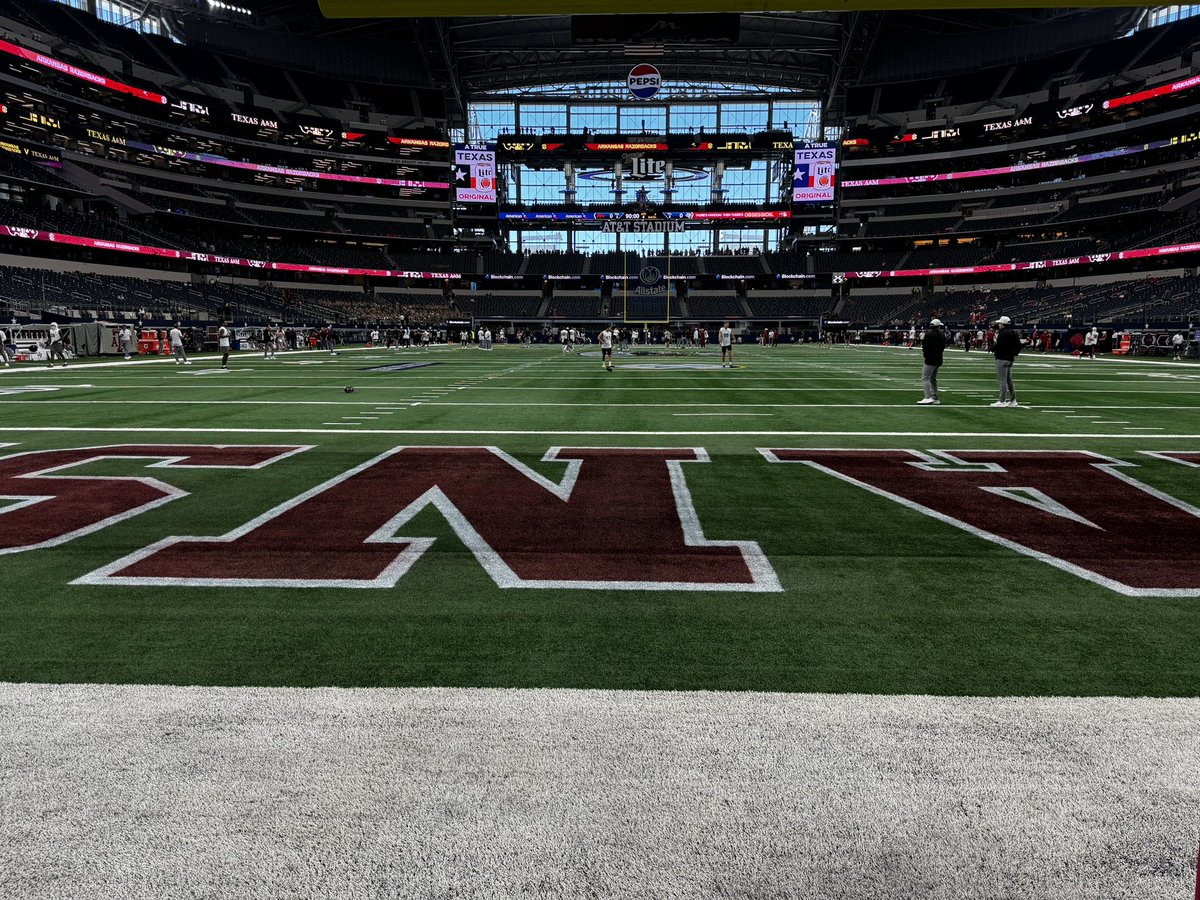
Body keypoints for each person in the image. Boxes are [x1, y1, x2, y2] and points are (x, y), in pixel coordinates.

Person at [991, 315, 1022, 407]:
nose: (999, 325)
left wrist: (991, 348)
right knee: (1009, 380)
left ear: (1003, 324)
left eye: (1000, 323)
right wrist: (1013, 354)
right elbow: (1019, 346)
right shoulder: (1014, 333)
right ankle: (1013, 400)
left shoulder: (1003, 333)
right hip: (1010, 359)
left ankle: (1002, 401)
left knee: (1002, 381)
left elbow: (999, 345)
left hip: (1002, 358)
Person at [918, 318, 946, 405]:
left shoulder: (928, 335)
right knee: (933, 379)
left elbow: (925, 348)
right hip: (938, 359)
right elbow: (942, 347)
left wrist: (926, 357)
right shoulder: (941, 335)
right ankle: (935, 397)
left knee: (925, 378)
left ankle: (928, 397)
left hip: (930, 360)